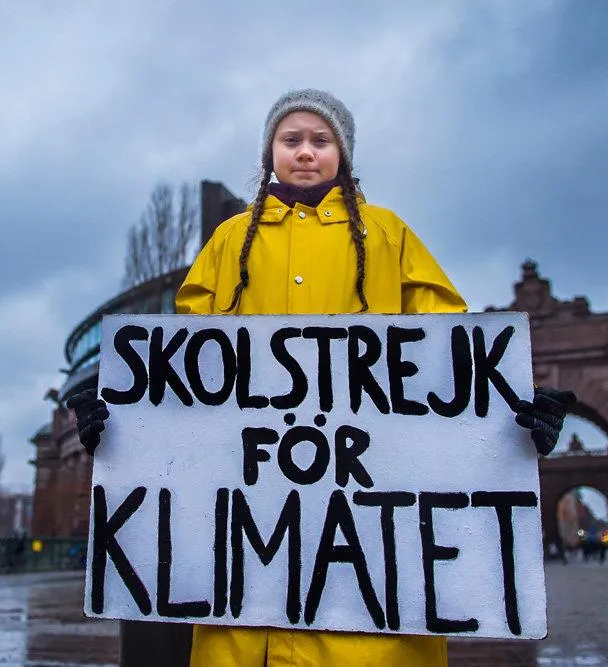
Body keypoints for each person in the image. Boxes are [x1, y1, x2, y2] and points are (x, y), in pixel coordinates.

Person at [67, 89, 576, 667]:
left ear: (344, 153)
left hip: (373, 616)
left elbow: (447, 358)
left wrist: (508, 412)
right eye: (291, 140)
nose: (305, 152)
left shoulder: (390, 236)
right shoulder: (229, 242)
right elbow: (189, 375)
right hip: (244, 609)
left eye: (320, 140)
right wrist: (127, 421)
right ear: (269, 153)